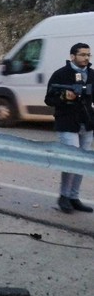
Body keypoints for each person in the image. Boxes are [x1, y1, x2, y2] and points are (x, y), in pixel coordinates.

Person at [44, 42, 94, 214]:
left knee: (82, 162)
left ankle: (74, 197)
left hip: (87, 124)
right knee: (70, 161)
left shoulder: (92, 74)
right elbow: (49, 99)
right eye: (83, 55)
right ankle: (64, 197)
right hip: (67, 123)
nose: (86, 58)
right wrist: (65, 97)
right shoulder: (61, 74)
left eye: (89, 55)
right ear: (72, 56)